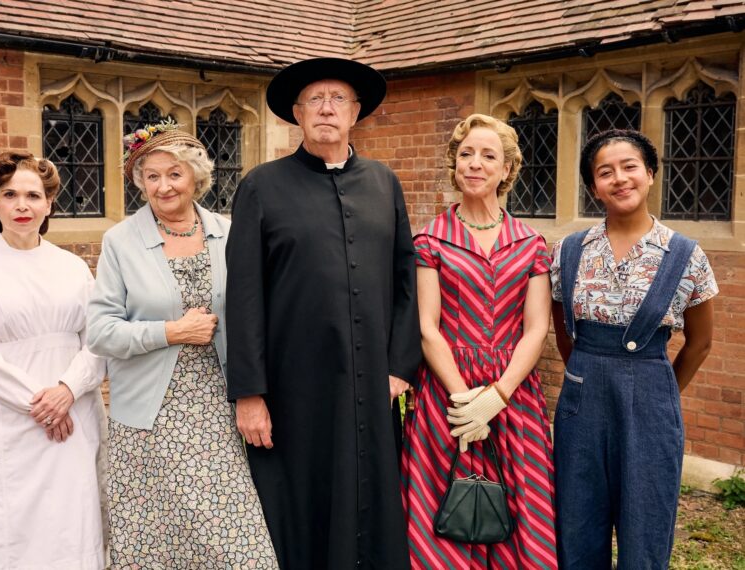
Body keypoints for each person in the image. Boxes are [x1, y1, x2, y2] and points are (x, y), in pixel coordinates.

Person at [225, 57, 421, 569]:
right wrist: (249, 394)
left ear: (356, 112)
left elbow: (406, 279)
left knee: (372, 500)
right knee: (298, 507)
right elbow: (243, 295)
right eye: (315, 100)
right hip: (295, 389)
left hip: (374, 385)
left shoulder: (384, 182)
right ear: (297, 113)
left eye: (338, 99)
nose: (327, 109)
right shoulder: (261, 186)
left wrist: (400, 367)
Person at [86, 120, 277, 568]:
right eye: (151, 176)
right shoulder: (120, 241)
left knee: (239, 546)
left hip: (217, 408)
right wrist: (171, 331)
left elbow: (256, 315)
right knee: (156, 547)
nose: (163, 186)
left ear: (196, 177)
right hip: (148, 419)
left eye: (174, 174)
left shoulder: (230, 233)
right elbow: (99, 331)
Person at [551, 129, 717, 569]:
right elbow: (564, 331)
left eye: (629, 167)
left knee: (646, 526)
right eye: (605, 172)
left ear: (649, 174)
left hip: (652, 397)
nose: (619, 179)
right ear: (593, 187)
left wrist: (660, 392)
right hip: (581, 397)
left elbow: (701, 343)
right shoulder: (568, 251)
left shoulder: (687, 255)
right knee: (577, 520)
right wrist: (585, 374)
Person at [0, 152, 107, 568]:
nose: (22, 206)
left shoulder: (73, 268)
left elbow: (99, 339)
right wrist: (40, 402)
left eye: (33, 195)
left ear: (49, 204)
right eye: (10, 194)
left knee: (68, 525)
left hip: (71, 418)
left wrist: (66, 391)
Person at [400, 114, 558, 568]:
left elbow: (536, 329)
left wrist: (498, 396)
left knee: (521, 509)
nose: (475, 164)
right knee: (445, 508)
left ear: (507, 169)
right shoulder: (431, 239)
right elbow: (427, 327)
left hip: (513, 395)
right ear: (455, 164)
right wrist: (465, 401)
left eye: (488, 155)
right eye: (466, 154)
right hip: (448, 395)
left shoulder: (531, 243)